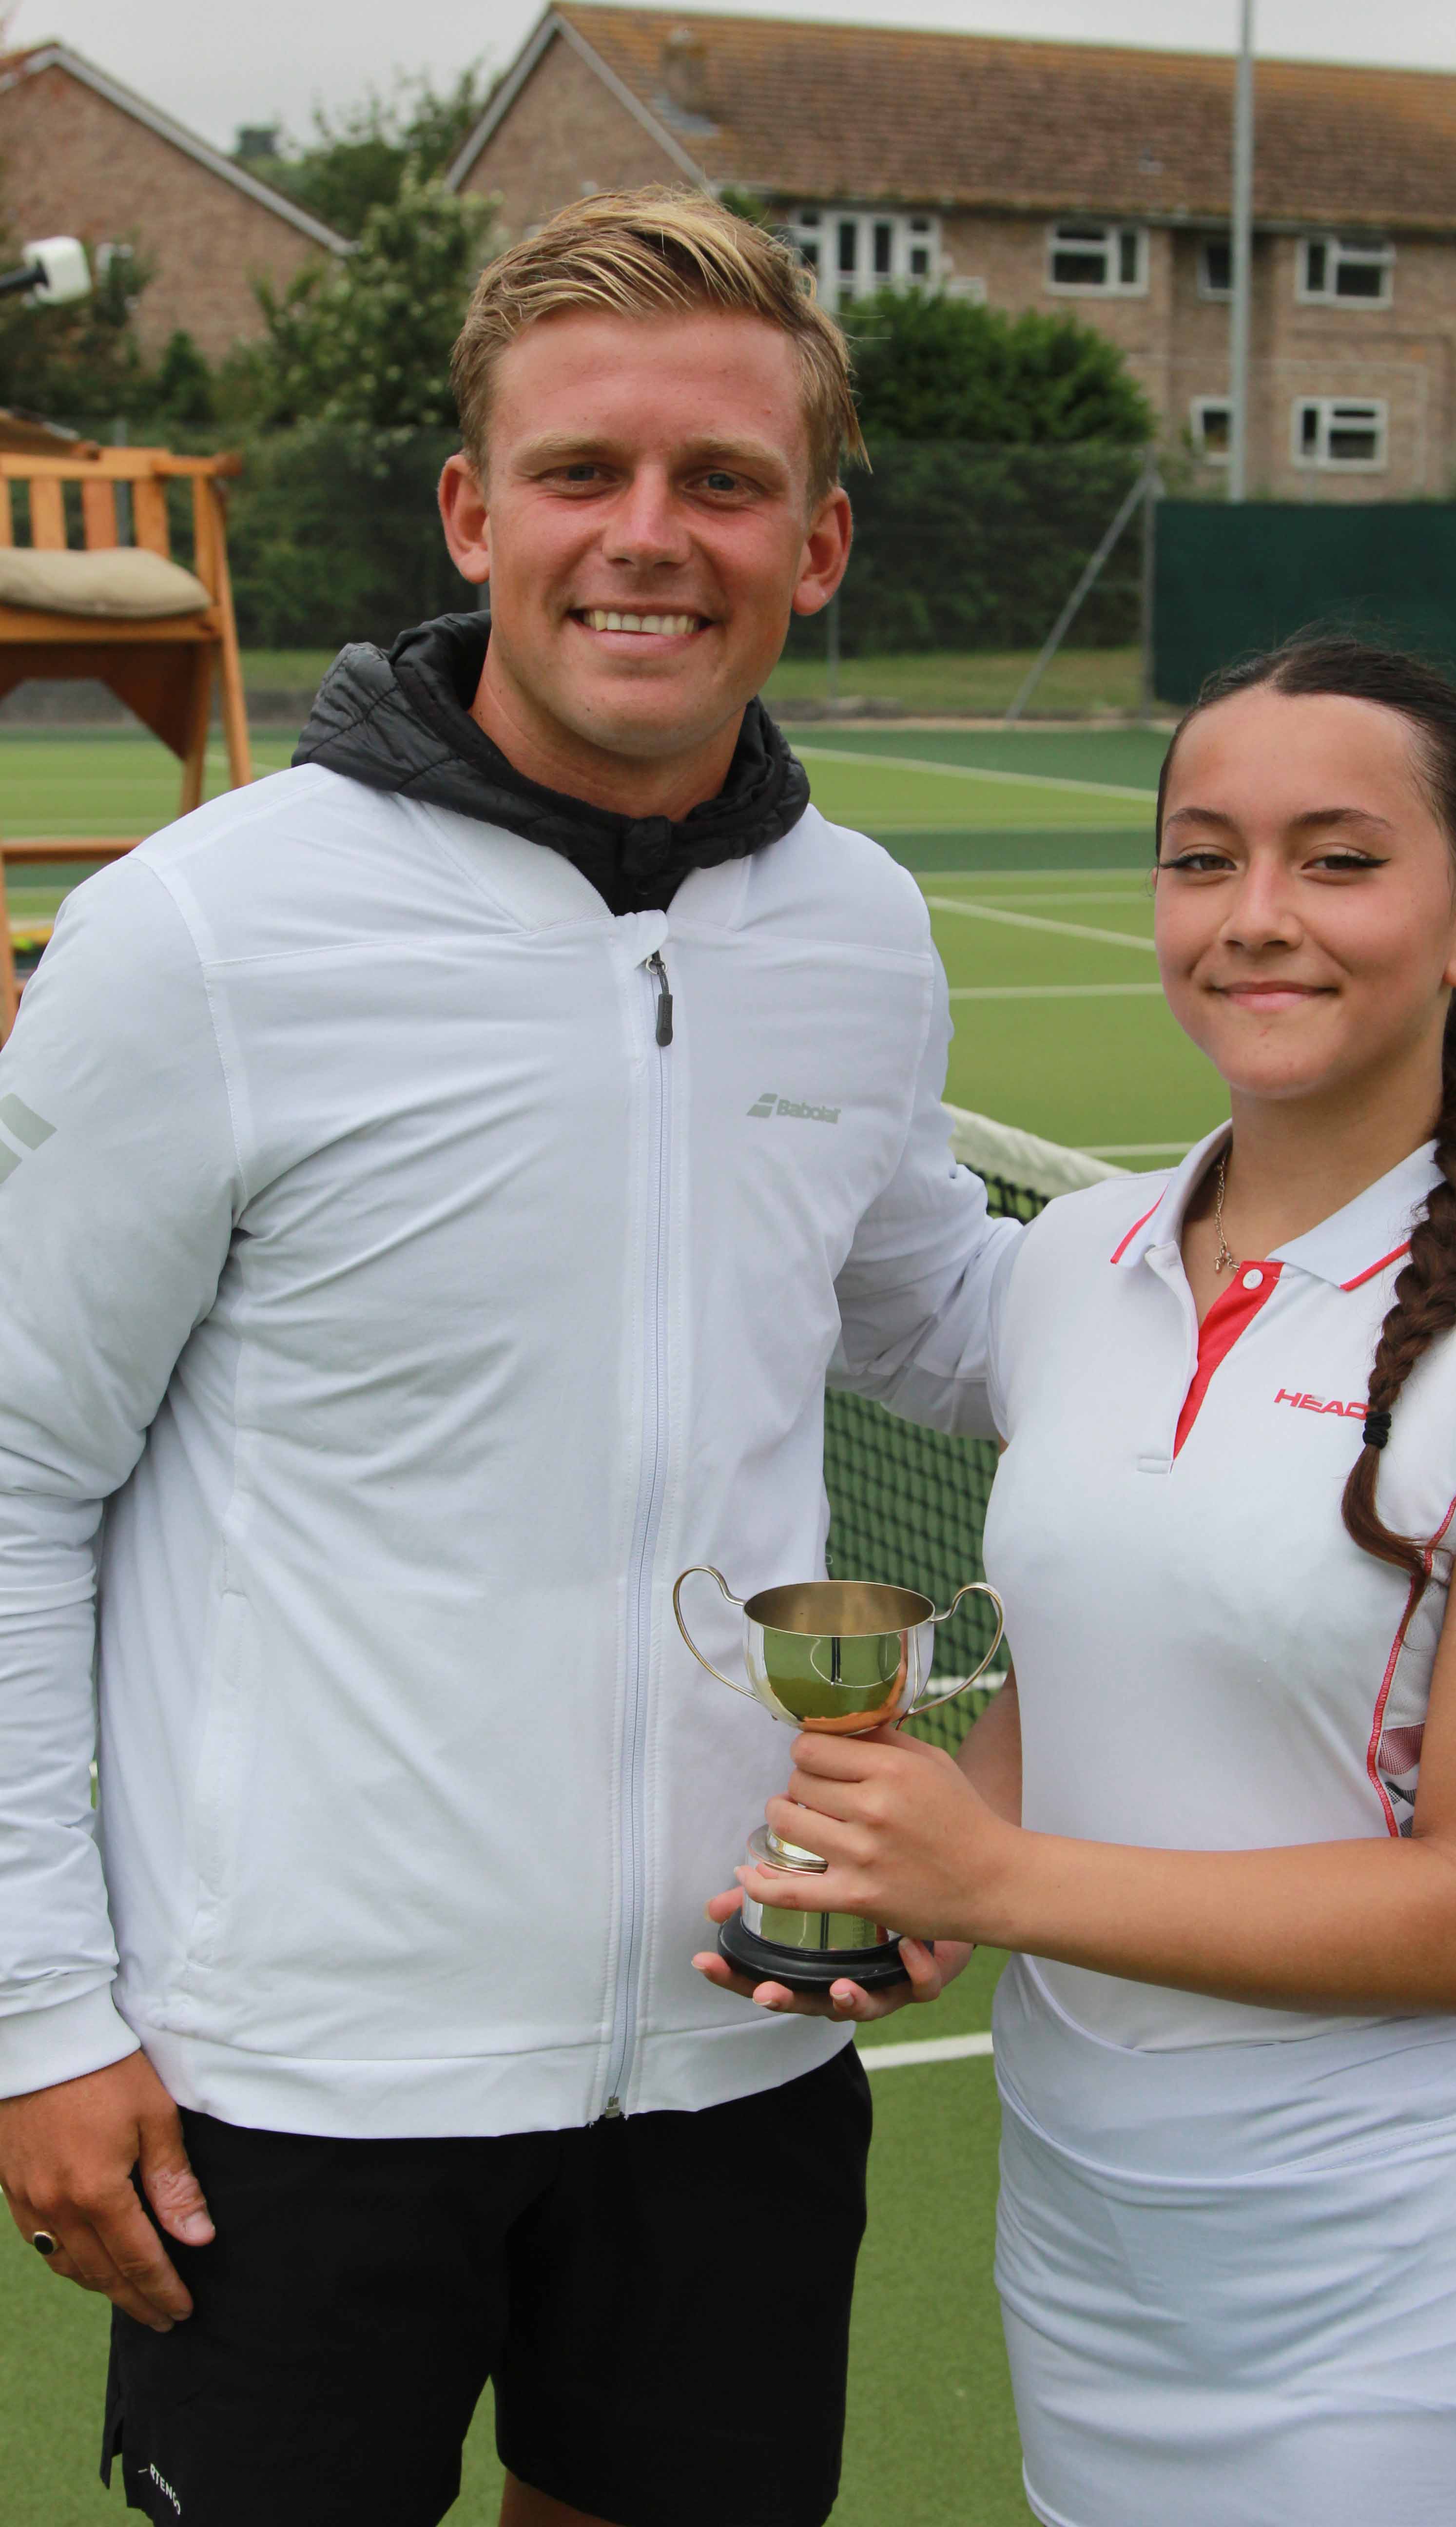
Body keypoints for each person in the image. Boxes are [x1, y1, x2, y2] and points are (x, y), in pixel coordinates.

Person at [0, 189, 1009, 2527]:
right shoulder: (209, 932)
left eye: (723, 483)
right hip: (302, 2086)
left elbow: (937, 1308)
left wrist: (1371, 1303)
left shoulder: (858, 926)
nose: (647, 540)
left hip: (745, 2048)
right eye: (582, 474)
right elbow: (19, 1476)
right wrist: (42, 2014)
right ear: (474, 512)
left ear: (819, 542)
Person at [729, 637, 1456, 2526]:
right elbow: (1097, 1649)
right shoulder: (1073, 1260)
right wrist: (936, 1884)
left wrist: (998, 1878)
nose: (1257, 919)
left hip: (1408, 2292)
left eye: (1339, 860)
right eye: (1202, 858)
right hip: (1084, 2240)